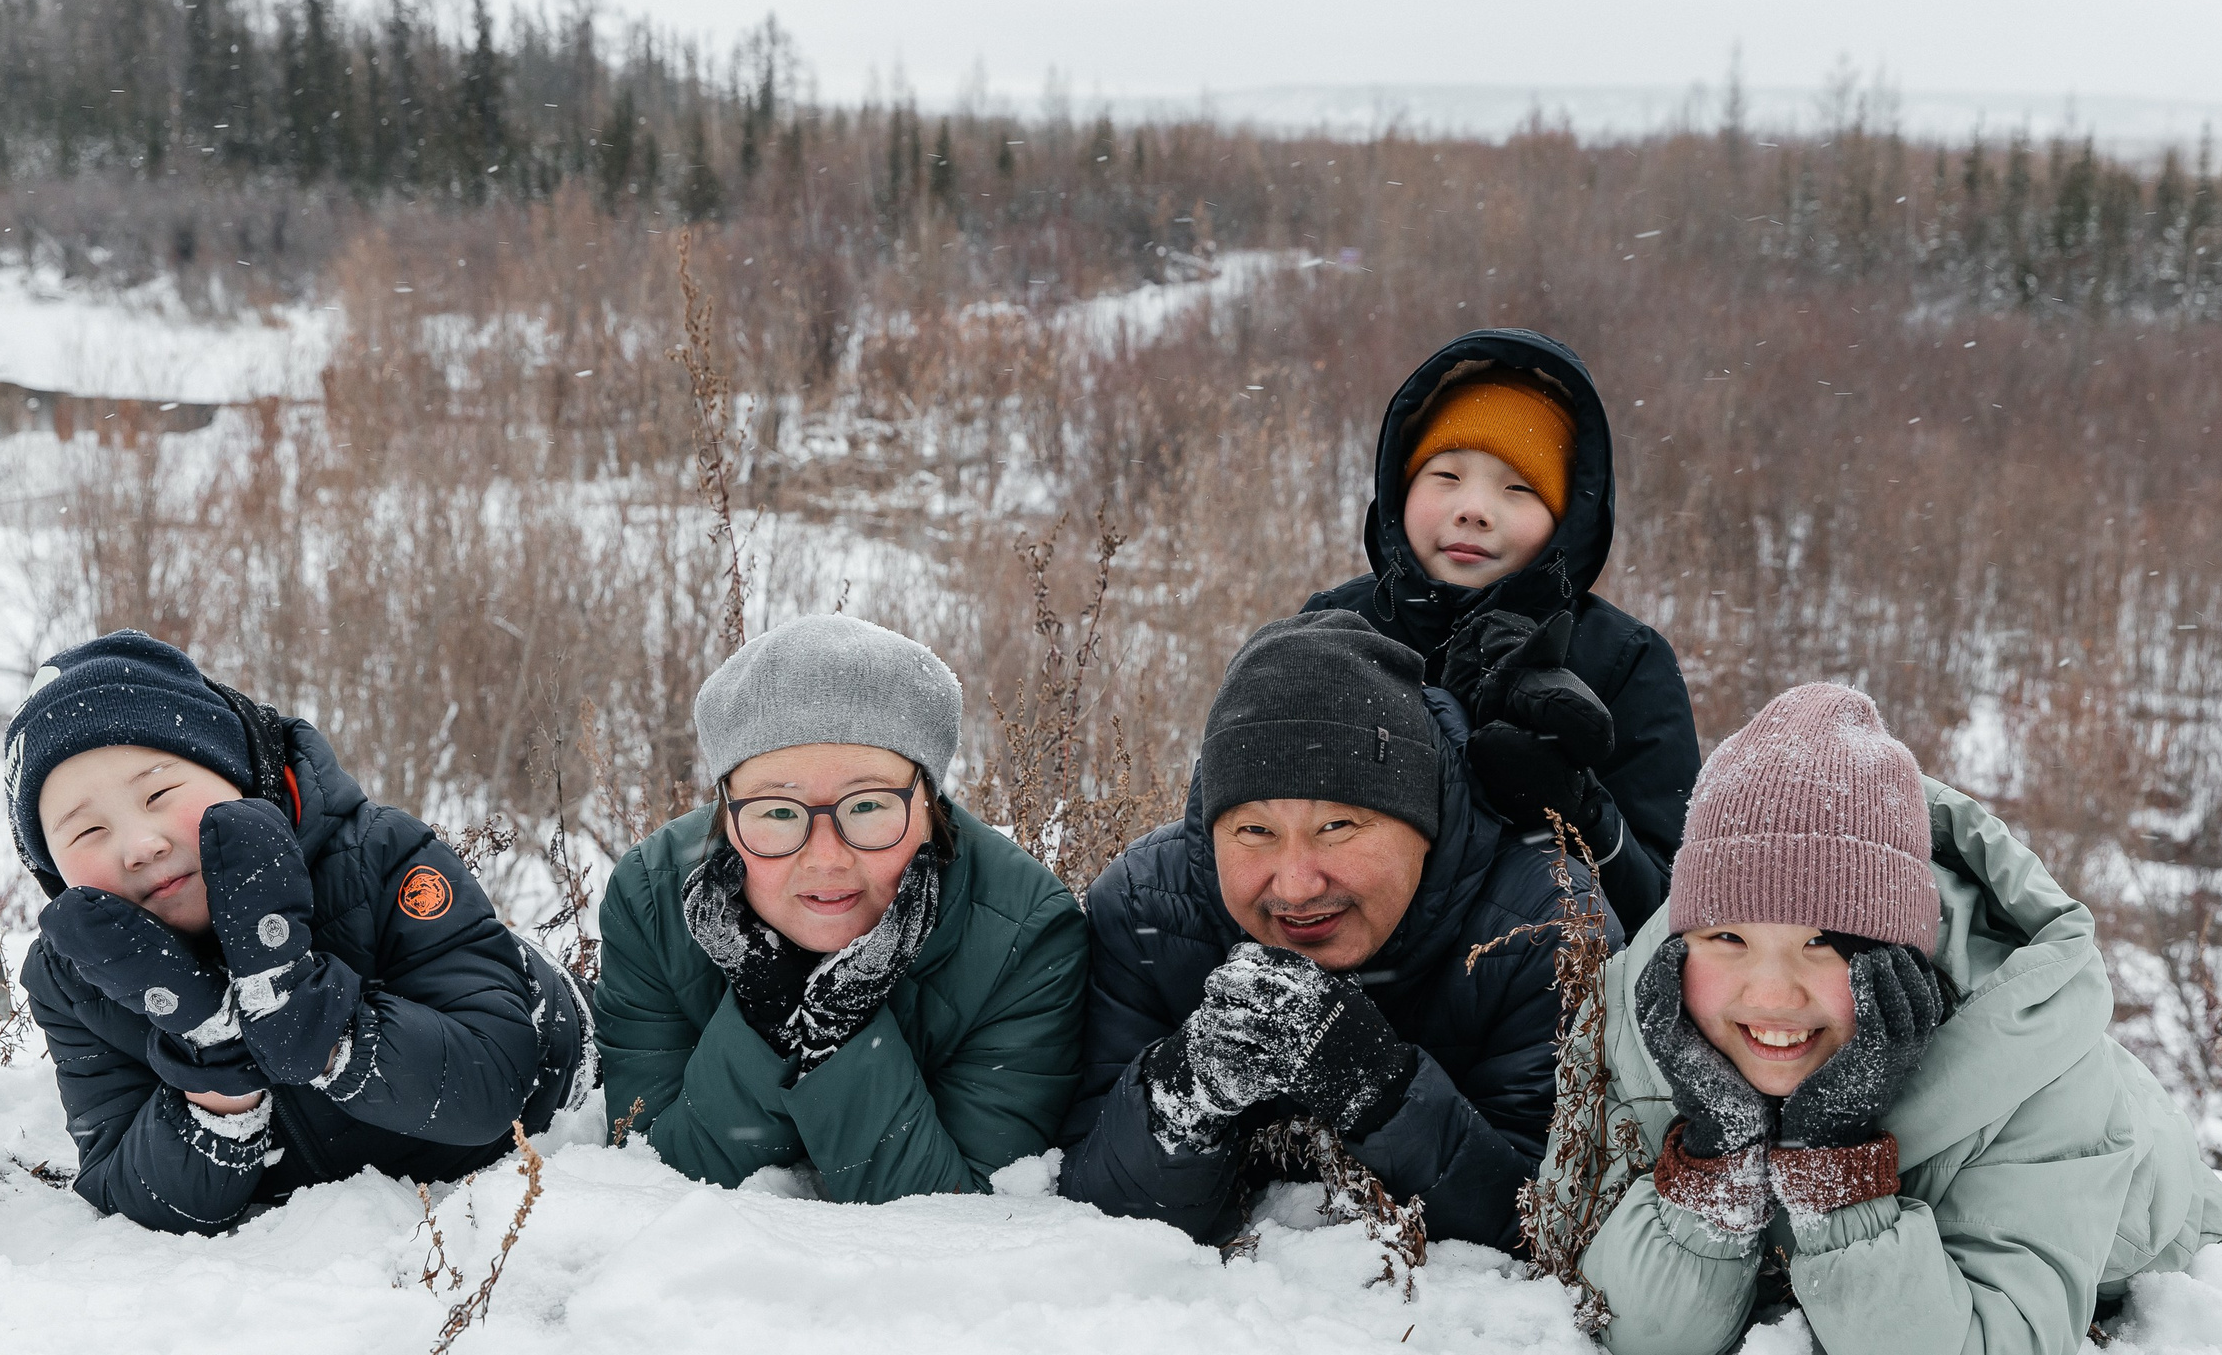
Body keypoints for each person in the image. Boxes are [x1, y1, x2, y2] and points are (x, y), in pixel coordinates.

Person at [1554, 683, 2222, 1355]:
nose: (1771, 995)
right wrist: (1717, 1154)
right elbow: (1630, 1335)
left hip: (2158, 1207)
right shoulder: (1651, 1011)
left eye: (1823, 943)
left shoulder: (2035, 1066)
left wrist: (1831, 1161)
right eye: (1728, 939)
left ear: (1897, 958)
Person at [1059, 609, 1621, 1251]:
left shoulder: (1545, 931)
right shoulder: (1145, 910)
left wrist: (1382, 1093)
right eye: (1254, 831)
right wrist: (1185, 1093)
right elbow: (1085, 1213)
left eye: (1339, 828)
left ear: (1424, 822)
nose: (1296, 887)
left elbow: (1554, 1228)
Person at [13, 630, 594, 1235]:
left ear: (231, 770)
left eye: (159, 793)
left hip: (550, 1080)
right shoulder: (71, 979)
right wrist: (215, 1072)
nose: (141, 844)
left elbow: (492, 1088)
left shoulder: (377, 854)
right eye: (87, 832)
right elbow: (129, 1192)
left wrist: (308, 1014)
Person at [595, 614, 1087, 1198]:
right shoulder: (651, 901)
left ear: (929, 805)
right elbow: (651, 1182)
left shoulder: (1024, 938)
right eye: (778, 811)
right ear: (726, 813)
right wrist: (766, 1020)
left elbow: (963, 1220)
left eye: (868, 807)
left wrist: (840, 1035)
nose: (826, 859)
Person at [1302, 327, 1700, 933]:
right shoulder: (1334, 629)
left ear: (1566, 520)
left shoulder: (1625, 661)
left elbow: (1671, 913)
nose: (1475, 509)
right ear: (1399, 488)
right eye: (1446, 476)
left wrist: (1577, 807)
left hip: (1542, 999)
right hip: (1343, 982)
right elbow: (1240, 832)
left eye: (1518, 488)